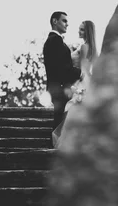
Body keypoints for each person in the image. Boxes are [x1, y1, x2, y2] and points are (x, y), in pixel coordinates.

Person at [42, 11, 82, 146]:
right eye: (64, 21)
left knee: (59, 119)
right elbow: (62, 68)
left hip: (57, 87)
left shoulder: (54, 40)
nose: (67, 24)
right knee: (59, 121)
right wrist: (80, 73)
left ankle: (55, 148)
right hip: (59, 88)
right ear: (54, 21)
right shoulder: (55, 40)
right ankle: (53, 150)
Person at [65, 20, 99, 112]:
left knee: (69, 109)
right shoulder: (91, 48)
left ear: (87, 32)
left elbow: (82, 68)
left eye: (82, 30)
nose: (79, 31)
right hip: (85, 81)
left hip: (79, 82)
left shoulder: (84, 47)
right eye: (79, 29)